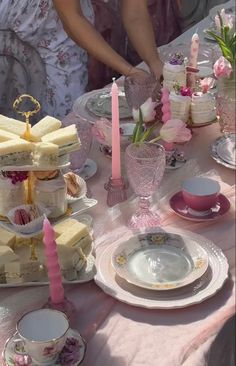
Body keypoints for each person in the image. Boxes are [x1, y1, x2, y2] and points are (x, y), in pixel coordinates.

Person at [0, 0, 163, 118]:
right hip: (25, 15)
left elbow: (135, 14)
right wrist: (129, 71)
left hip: (63, 26)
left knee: (70, 109)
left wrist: (154, 62)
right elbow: (71, 18)